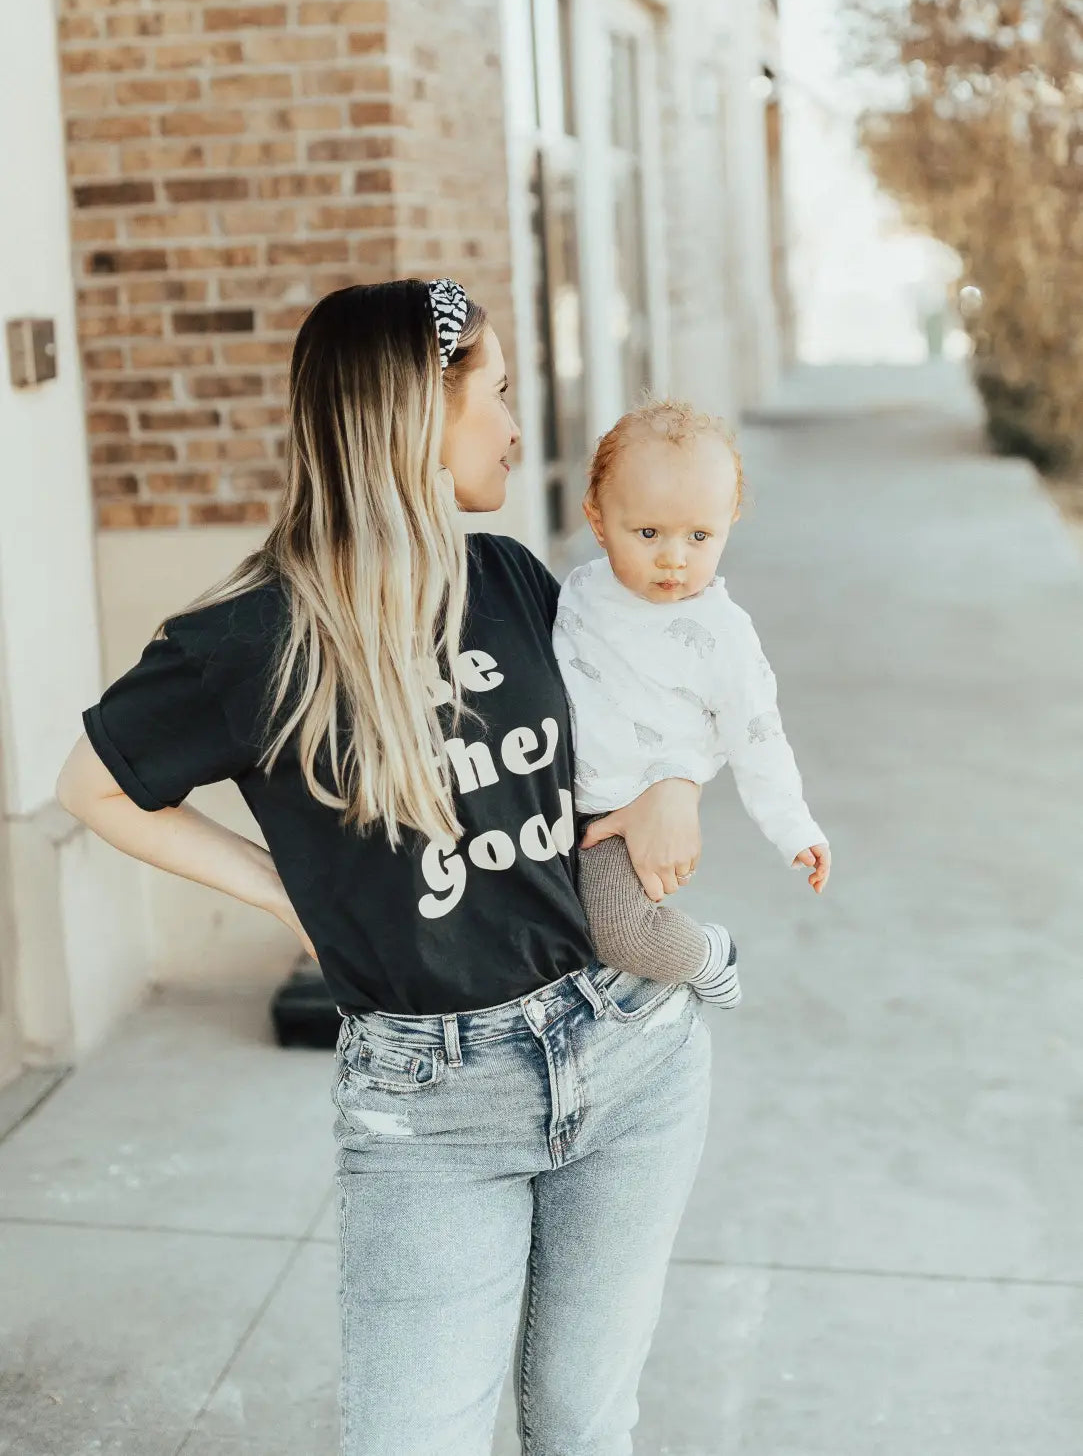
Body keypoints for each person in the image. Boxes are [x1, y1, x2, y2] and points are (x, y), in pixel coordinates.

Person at [55, 278, 714, 1456]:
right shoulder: (252, 637)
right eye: (498, 395)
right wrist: (286, 893)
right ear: (420, 412)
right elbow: (93, 789)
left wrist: (674, 782)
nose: (518, 428)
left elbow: (647, 703)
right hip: (431, 1106)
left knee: (581, 1424)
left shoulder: (508, 577)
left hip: (631, 1053)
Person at [554, 400, 832, 1010]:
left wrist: (793, 827)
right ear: (597, 522)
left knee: (623, 936)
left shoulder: (721, 632)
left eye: (699, 536)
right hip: (549, 807)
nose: (674, 558)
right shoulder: (579, 591)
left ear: (728, 521)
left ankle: (708, 956)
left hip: (621, 821)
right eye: (648, 533)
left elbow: (758, 737)